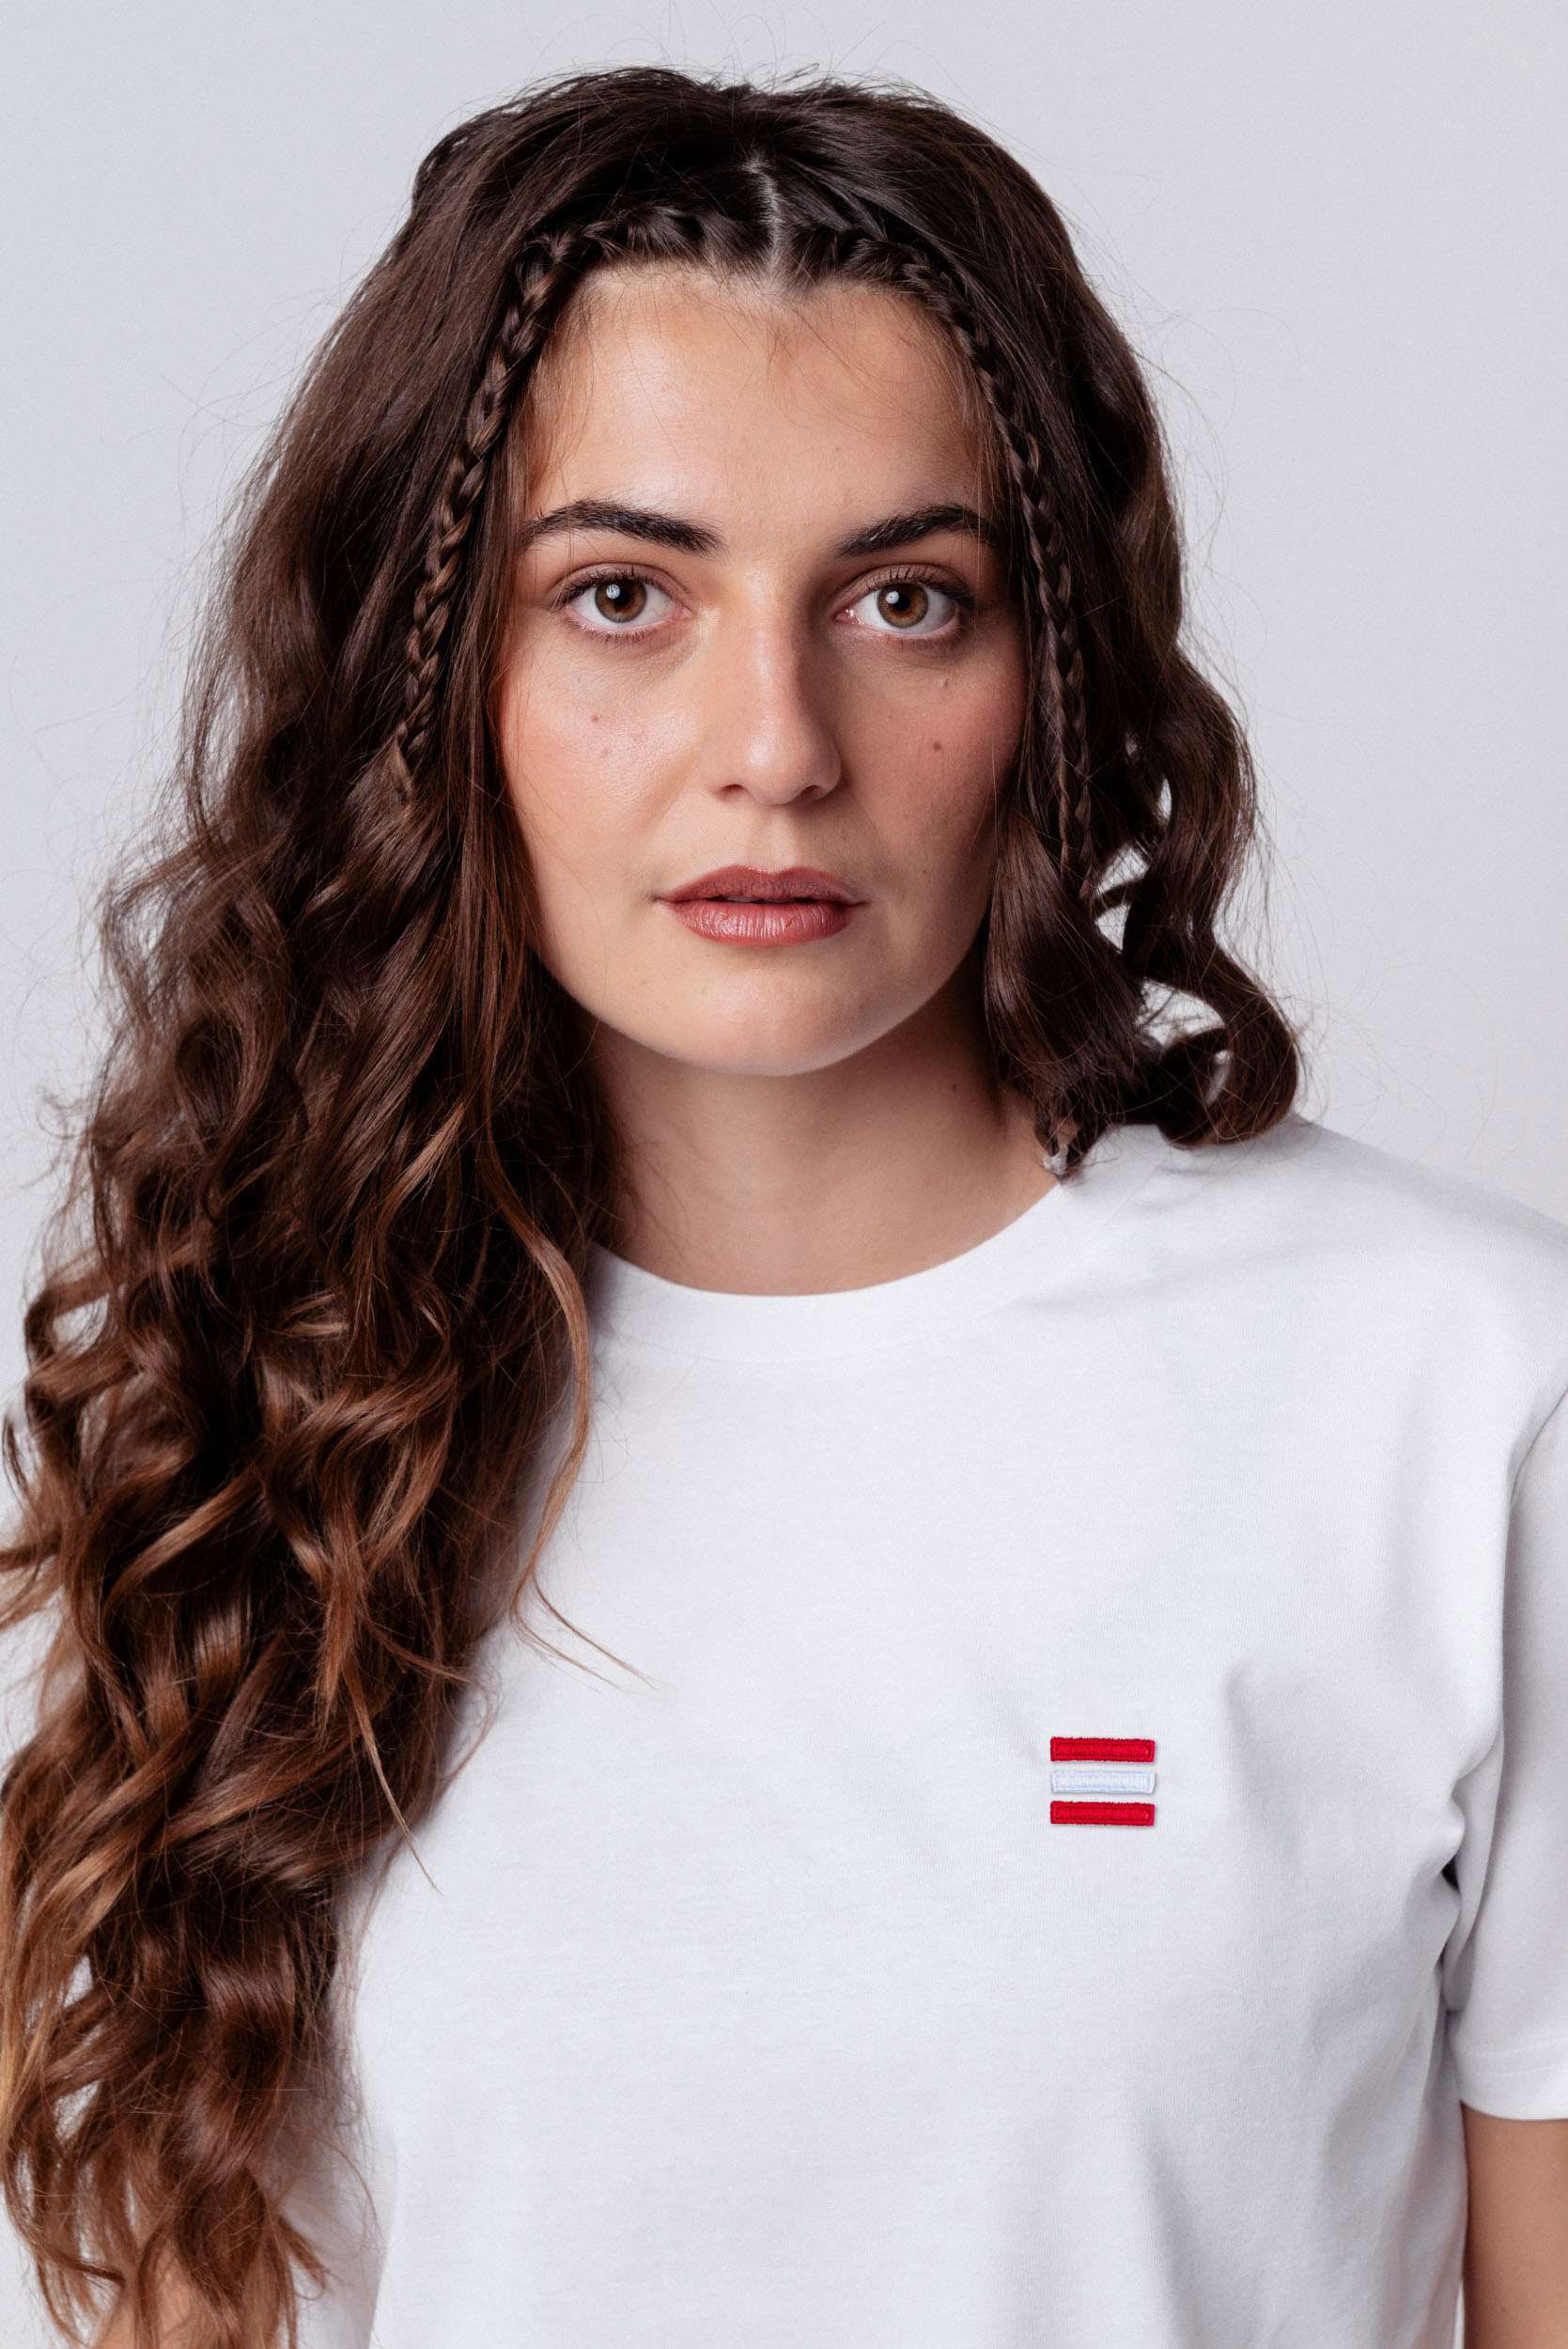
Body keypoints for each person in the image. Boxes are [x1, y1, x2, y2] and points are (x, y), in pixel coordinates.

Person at [2, 59, 1565, 2349]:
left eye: (905, 599)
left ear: (1051, 669)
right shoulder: (259, 1398)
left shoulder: (1463, 1395)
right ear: (439, 673)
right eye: (621, 594)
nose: (775, 743)